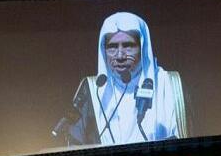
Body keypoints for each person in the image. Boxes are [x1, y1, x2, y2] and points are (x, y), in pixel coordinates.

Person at [64, 12, 186, 146]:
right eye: (112, 47)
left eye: (128, 45)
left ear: (143, 47)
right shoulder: (93, 90)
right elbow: (75, 146)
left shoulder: (168, 84)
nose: (120, 55)